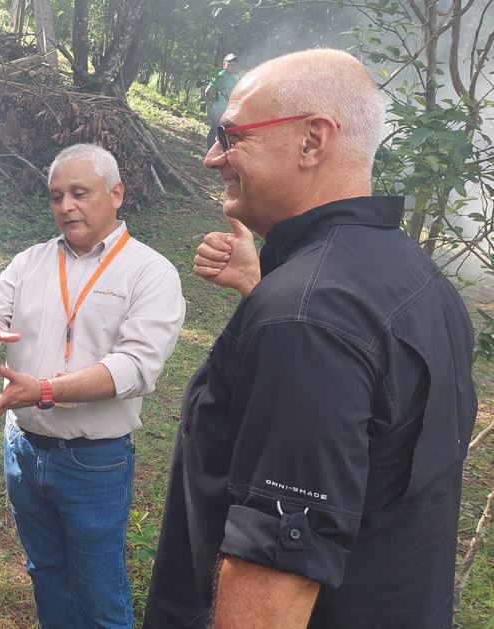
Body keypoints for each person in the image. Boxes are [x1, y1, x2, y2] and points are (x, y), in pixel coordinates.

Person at [144, 49, 478, 628]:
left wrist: (283, 301)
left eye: (231, 134)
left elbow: (275, 578)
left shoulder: (305, 316)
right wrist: (266, 287)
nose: (211, 157)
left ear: (312, 141)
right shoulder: (422, 283)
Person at [0, 144, 185, 628]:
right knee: (47, 575)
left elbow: (136, 367)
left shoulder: (151, 272)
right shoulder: (31, 262)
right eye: (56, 196)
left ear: (116, 194)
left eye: (80, 193)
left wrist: (44, 391)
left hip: (93, 461)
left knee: (99, 594)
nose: (66, 207)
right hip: (23, 448)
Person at [204, 53, 239, 150]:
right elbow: (208, 92)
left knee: (225, 133)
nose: (233, 67)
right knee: (216, 130)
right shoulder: (220, 76)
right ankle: (209, 150)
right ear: (224, 65)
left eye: (235, 65)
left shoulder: (233, 78)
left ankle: (219, 151)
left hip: (227, 110)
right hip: (218, 109)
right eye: (230, 64)